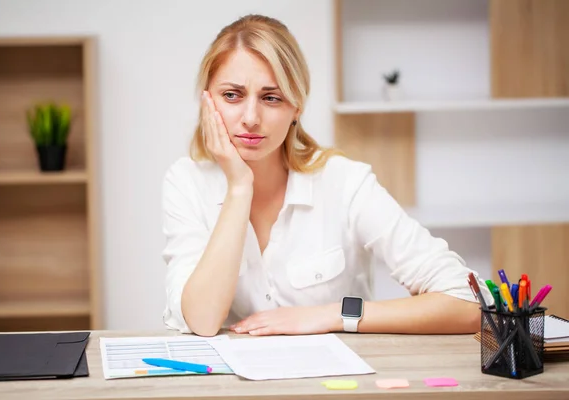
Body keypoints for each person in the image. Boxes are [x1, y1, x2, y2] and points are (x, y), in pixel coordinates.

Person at [161, 14, 492, 337]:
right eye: (231, 95)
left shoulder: (344, 182)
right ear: (207, 100)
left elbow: (468, 302)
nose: (250, 117)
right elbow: (202, 322)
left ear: (297, 107)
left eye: (271, 97)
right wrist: (238, 188)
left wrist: (329, 316)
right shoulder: (186, 182)